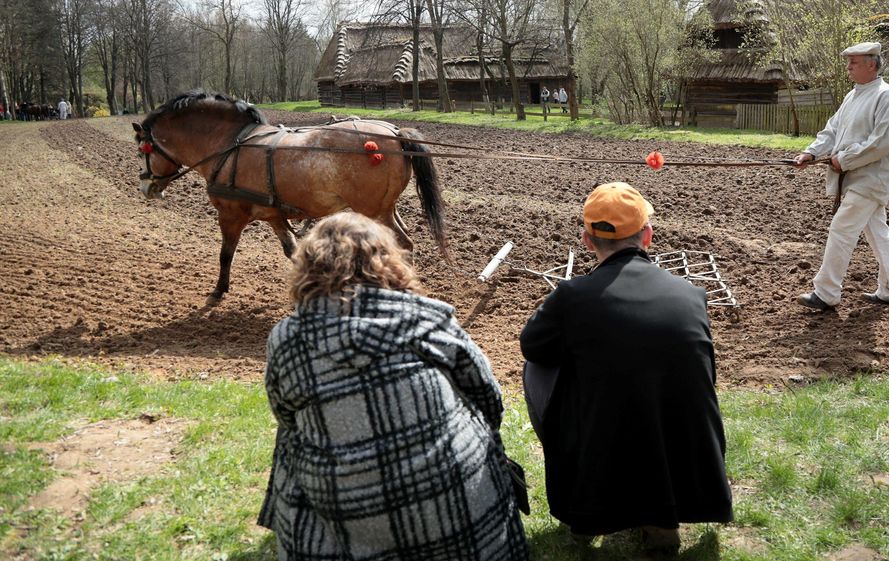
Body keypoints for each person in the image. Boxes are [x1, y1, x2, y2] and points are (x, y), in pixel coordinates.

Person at [258, 212, 528, 561]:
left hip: (344, 505)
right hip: (458, 516)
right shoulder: (429, 319)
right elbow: (488, 398)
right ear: (388, 261)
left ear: (308, 268)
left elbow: (285, 414)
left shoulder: (287, 337)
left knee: (290, 439)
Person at [519, 182, 733, 556]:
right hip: (685, 443)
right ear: (647, 236)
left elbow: (533, 347)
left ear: (587, 241)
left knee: (536, 368)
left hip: (605, 435)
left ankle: (585, 498)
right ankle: (661, 516)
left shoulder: (571, 296)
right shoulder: (691, 294)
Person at [792, 41, 889, 311]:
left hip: (872, 178)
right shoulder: (852, 96)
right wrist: (811, 152)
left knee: (841, 229)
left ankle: (827, 293)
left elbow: (882, 143)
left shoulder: (887, 96)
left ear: (871, 63)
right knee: (878, 232)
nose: (848, 67)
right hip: (855, 178)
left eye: (853, 62)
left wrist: (843, 159)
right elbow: (833, 130)